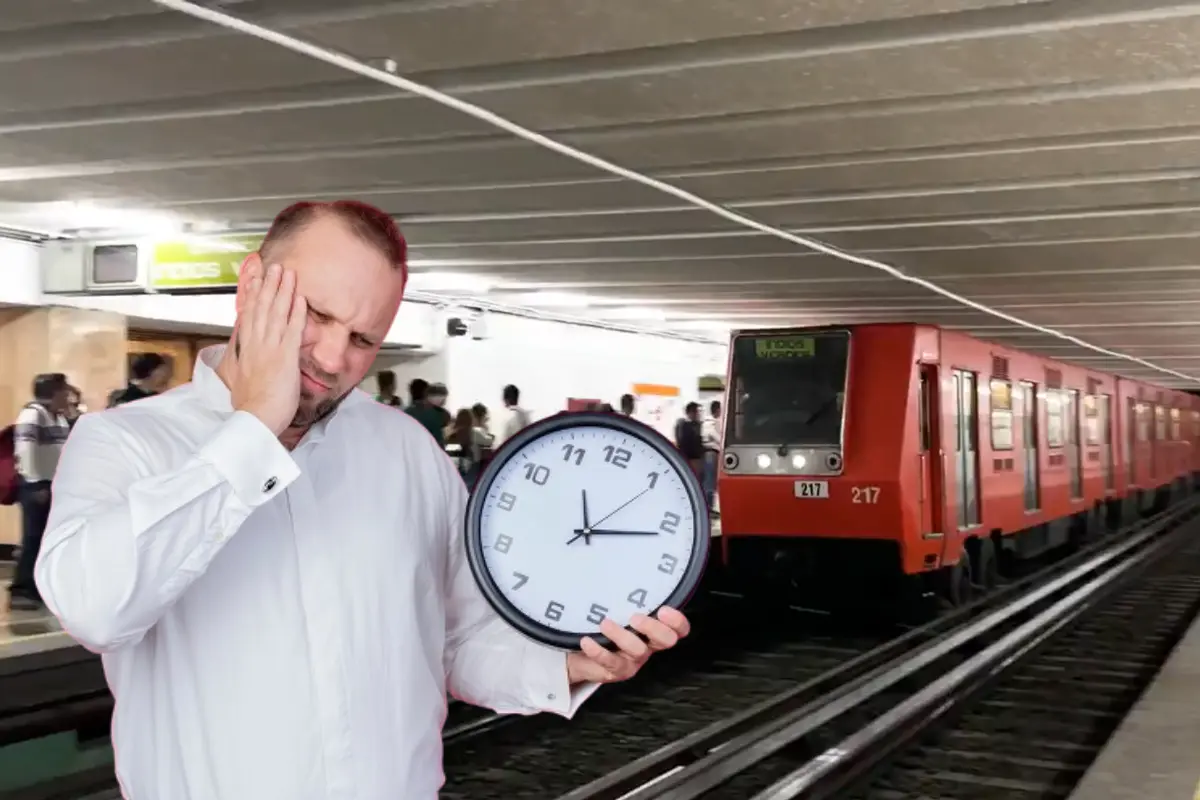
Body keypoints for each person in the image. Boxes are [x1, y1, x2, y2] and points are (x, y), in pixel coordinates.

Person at [34, 200, 689, 800]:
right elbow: (96, 611)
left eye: (362, 339)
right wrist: (254, 429)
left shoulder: (407, 453)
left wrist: (573, 663)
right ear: (252, 285)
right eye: (315, 315)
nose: (331, 357)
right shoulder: (124, 443)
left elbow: (459, 641)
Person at [8, 372, 71, 611]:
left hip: (54, 484)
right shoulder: (33, 414)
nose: (68, 396)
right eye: (65, 391)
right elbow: (24, 450)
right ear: (54, 392)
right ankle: (21, 590)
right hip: (37, 486)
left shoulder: (58, 417)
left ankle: (41, 588)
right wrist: (35, 482)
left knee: (47, 539)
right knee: (33, 538)